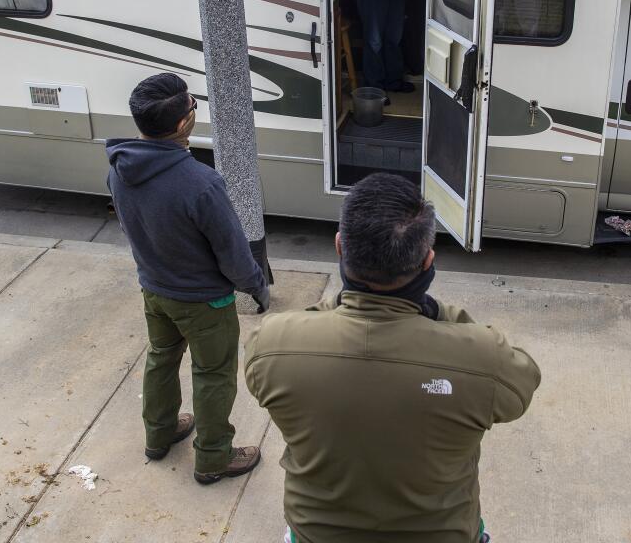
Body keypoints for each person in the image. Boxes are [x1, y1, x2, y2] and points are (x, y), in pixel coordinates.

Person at [245, 173, 542, 542]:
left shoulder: (271, 345)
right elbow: (524, 383)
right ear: (427, 261)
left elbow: (298, 335)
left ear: (340, 246)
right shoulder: (484, 359)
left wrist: (341, 303)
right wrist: (437, 312)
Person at [107, 73, 269, 485]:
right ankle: (214, 457)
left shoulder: (120, 169)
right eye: (193, 106)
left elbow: (133, 228)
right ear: (183, 125)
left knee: (161, 357)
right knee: (213, 373)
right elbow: (233, 253)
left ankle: (159, 434)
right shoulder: (201, 183)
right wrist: (255, 285)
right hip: (205, 303)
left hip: (155, 290)